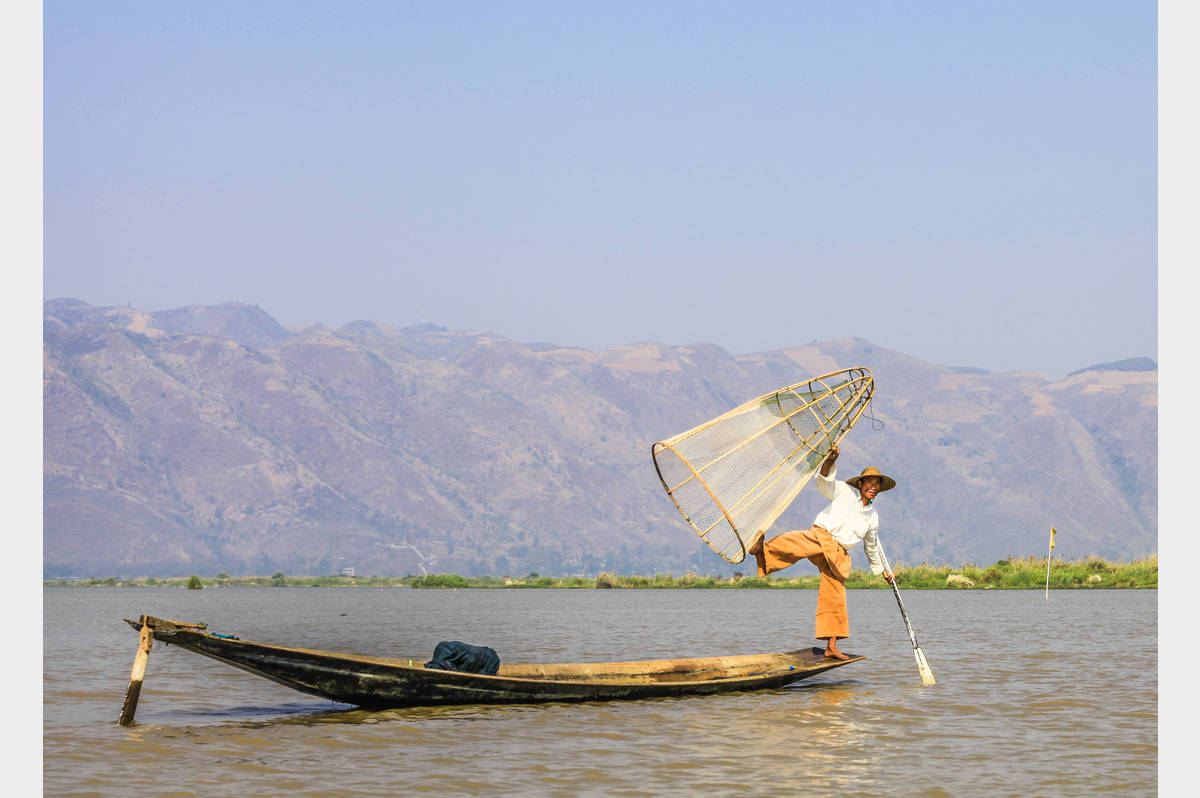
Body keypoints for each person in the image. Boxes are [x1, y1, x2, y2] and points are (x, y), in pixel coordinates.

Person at [748, 444, 895, 660]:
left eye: (877, 485)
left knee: (835, 595)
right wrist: (830, 461)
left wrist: (884, 571)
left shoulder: (873, 517)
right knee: (797, 541)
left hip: (838, 554)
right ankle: (763, 553)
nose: (873, 487)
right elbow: (823, 483)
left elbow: (871, 546)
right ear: (861, 483)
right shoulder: (845, 491)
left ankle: (831, 645)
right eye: (870, 482)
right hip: (822, 536)